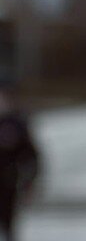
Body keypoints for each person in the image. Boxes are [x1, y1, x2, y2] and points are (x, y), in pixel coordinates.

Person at [0, 77, 38, 241]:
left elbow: (30, 155)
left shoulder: (16, 123)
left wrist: (30, 181)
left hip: (8, 182)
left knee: (8, 224)